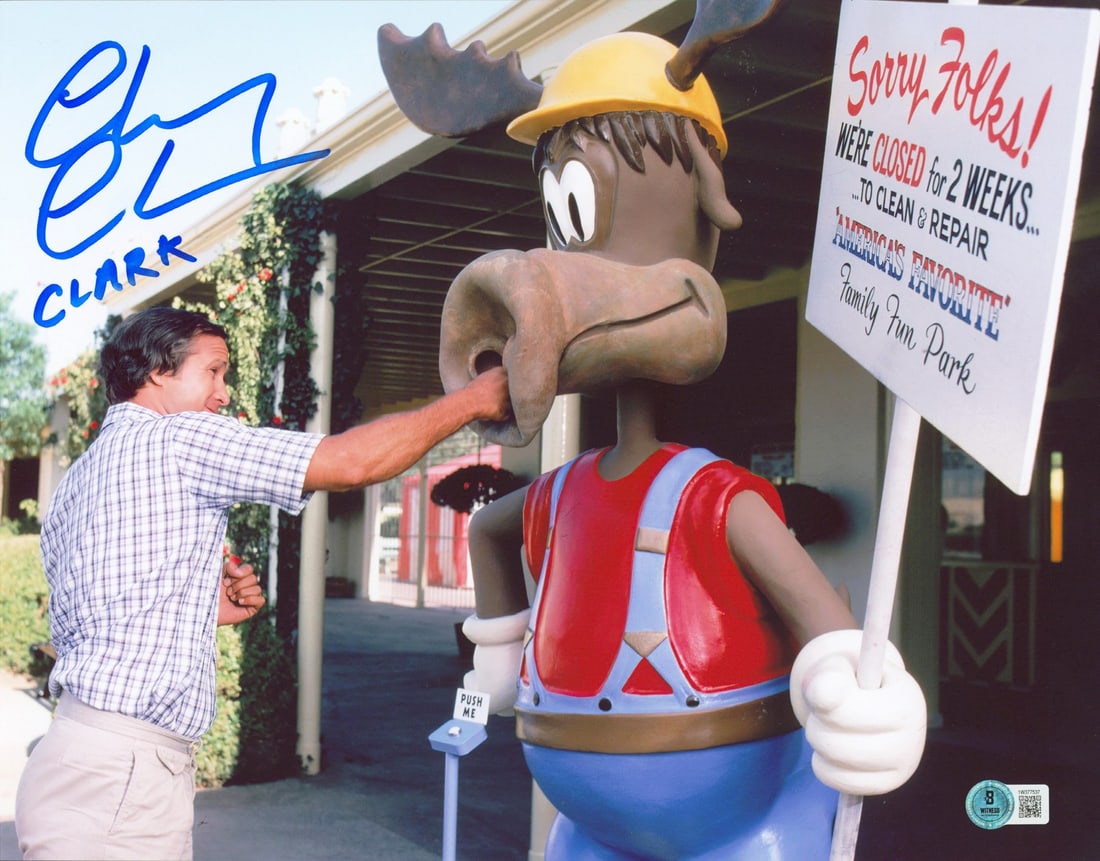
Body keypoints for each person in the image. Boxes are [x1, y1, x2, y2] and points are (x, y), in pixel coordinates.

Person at [15, 306, 511, 860]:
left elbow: (91, 613)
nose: (224, 393)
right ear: (157, 372)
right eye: (214, 371)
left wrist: (199, 607)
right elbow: (351, 462)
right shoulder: (180, 439)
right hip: (124, 778)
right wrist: (474, 400)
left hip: (71, 756)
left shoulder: (77, 480)